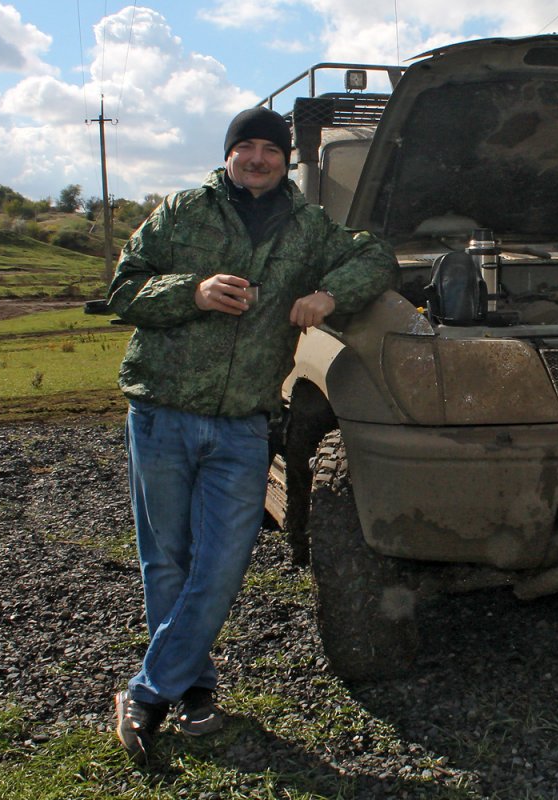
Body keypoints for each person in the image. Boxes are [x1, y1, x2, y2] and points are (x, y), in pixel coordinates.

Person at [105, 106, 397, 764]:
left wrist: (329, 294)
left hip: (242, 422)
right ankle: (195, 689)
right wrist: (194, 291)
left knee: (224, 564)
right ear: (230, 153)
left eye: (271, 148)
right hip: (162, 412)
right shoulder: (183, 210)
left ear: (287, 159)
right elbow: (123, 289)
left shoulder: (307, 226)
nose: (259, 158)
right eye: (247, 147)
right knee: (168, 559)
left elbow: (376, 256)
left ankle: (147, 694)